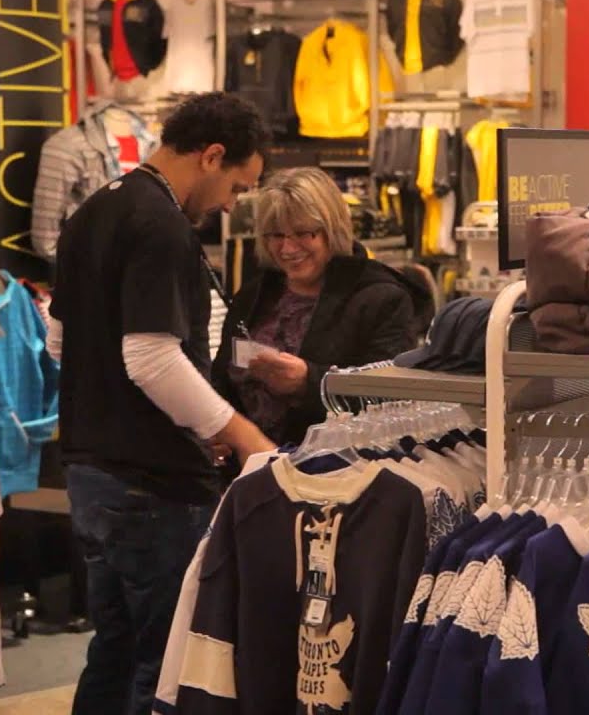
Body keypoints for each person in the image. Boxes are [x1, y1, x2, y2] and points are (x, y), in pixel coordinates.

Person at [48, 92, 275, 715]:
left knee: (115, 649)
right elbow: (150, 360)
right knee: (163, 666)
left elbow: (60, 341)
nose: (233, 203)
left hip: (93, 474)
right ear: (212, 156)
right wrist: (243, 433)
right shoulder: (162, 225)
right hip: (151, 484)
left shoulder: (93, 212)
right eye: (238, 185)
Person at [211, 167, 425, 447]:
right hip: (248, 470)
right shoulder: (256, 294)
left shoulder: (381, 298)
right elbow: (222, 376)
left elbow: (390, 399)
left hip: (334, 473)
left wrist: (309, 383)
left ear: (331, 229)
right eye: (276, 235)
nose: (287, 248)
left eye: (302, 233)